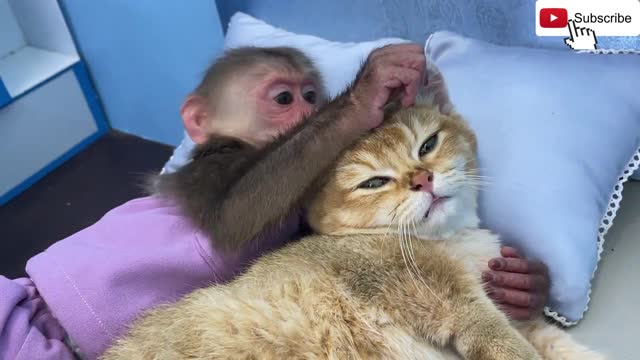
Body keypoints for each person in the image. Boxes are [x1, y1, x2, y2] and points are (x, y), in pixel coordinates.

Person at [0, 44, 549, 360]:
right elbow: (243, 210)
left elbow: (376, 260)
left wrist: (500, 279)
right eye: (282, 98)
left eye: (314, 98)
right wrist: (354, 105)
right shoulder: (217, 179)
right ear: (201, 121)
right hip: (25, 317)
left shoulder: (299, 212)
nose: (308, 117)